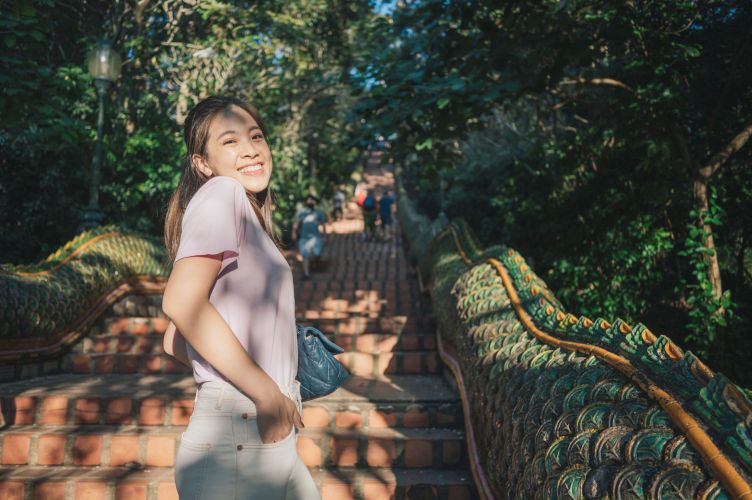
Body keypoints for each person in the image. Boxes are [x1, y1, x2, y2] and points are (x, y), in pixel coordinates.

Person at [161, 96, 320, 499]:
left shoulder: (245, 216)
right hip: (241, 428)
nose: (251, 149)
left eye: (256, 137)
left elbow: (173, 339)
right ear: (203, 162)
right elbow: (181, 304)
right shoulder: (221, 195)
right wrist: (263, 392)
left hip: (250, 423)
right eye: (230, 141)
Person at [292, 194, 326, 279]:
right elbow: (296, 224)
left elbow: (323, 225)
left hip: (316, 237)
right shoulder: (301, 212)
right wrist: (294, 233)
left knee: (317, 254)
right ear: (306, 202)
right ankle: (306, 274)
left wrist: (325, 236)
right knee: (305, 255)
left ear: (315, 202)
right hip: (304, 238)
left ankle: (315, 263)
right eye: (308, 199)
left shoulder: (318, 213)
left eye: (312, 200)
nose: (310, 201)